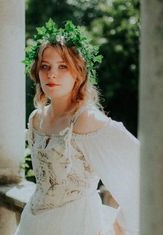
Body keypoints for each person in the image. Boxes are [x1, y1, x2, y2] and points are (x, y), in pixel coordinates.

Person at [15, 19, 140, 235]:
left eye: (63, 66)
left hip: (74, 225)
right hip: (32, 224)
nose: (51, 74)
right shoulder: (36, 119)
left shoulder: (87, 120)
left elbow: (143, 168)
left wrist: (121, 224)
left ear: (78, 73)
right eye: (45, 66)